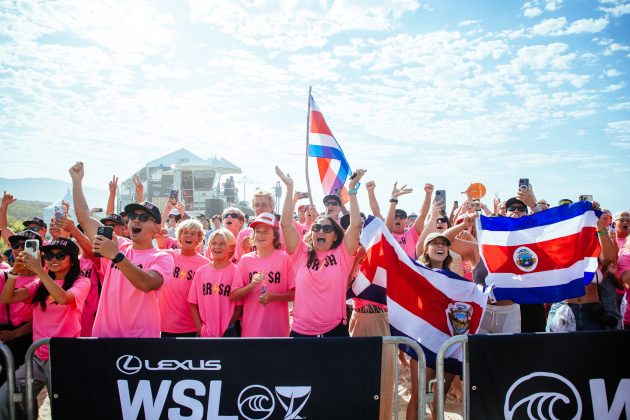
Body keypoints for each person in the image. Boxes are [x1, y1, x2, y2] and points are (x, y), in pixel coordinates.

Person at [69, 161, 173, 338]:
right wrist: (77, 182)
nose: (136, 220)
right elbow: (85, 218)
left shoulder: (162, 258)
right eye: (132, 216)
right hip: (105, 337)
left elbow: (148, 284)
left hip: (141, 342)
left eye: (144, 217)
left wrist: (116, 256)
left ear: (156, 228)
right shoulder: (119, 244)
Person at [0, 237, 90, 418]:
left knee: (64, 409)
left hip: (64, 358)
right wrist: (14, 274)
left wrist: (40, 270)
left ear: (72, 260)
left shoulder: (81, 282)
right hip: (36, 358)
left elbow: (63, 298)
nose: (53, 259)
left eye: (60, 255)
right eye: (48, 255)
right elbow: (7, 298)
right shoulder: (40, 284)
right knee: (6, 397)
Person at [276, 166, 364, 337]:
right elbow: (285, 224)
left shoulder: (342, 255)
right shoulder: (300, 253)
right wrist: (289, 189)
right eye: (317, 227)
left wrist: (352, 190)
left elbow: (355, 225)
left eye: (326, 228)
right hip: (301, 332)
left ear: (335, 236)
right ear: (312, 231)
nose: (321, 231)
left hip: (335, 331)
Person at [407, 231, 469, 420]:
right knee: (418, 395)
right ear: (425, 249)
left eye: (444, 243)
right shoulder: (415, 272)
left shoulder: (456, 280)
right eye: (435, 243)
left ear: (448, 250)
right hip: (423, 342)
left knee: (439, 397)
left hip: (448, 344)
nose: (440, 246)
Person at [230, 213, 296, 337]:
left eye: (266, 231)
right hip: (251, 331)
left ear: (275, 235)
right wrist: (251, 286)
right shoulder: (245, 260)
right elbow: (234, 295)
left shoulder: (284, 258)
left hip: (278, 330)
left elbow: (295, 294)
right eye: (258, 231)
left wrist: (273, 297)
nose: (261, 235)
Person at [0, 230, 40, 385]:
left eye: (27, 245)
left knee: (27, 391)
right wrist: (15, 272)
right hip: (4, 338)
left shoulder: (46, 279)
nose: (21, 249)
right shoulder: (3, 276)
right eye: (16, 245)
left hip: (30, 340)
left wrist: (15, 334)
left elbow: (43, 316)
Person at [159, 219, 209, 337]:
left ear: (199, 239)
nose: (188, 236)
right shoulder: (167, 256)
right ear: (179, 237)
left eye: (193, 233)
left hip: (191, 326)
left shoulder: (205, 264)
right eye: (185, 232)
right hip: (164, 325)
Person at [189, 229, 242, 337]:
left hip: (228, 329)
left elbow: (239, 307)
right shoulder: (201, 271)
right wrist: (200, 328)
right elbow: (192, 303)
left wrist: (225, 324)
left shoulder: (236, 271)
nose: (217, 247)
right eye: (213, 243)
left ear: (231, 248)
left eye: (222, 244)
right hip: (205, 329)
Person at [385, 182, 432, 259]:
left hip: (408, 270)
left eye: (402, 216)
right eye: (395, 216)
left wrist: (428, 194)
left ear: (406, 221)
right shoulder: (387, 234)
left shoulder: (412, 234)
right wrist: (393, 198)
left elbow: (423, 214)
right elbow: (387, 226)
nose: (398, 218)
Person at [234, 190, 276, 260]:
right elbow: (238, 261)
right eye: (256, 205)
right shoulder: (243, 234)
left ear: (272, 208)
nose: (259, 208)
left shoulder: (280, 232)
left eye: (264, 205)